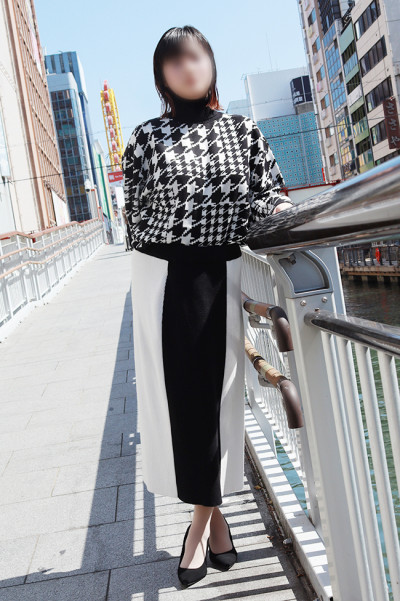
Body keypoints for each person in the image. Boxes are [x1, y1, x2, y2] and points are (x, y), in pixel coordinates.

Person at [121, 25, 294, 588]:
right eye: (174, 61)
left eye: (195, 57)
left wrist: (279, 216)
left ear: (211, 63)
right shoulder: (147, 137)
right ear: (162, 76)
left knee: (216, 398)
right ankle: (211, 523)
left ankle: (199, 527)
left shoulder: (243, 131)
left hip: (222, 269)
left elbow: (269, 197)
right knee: (178, 401)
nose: (187, 68)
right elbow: (135, 216)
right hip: (162, 274)